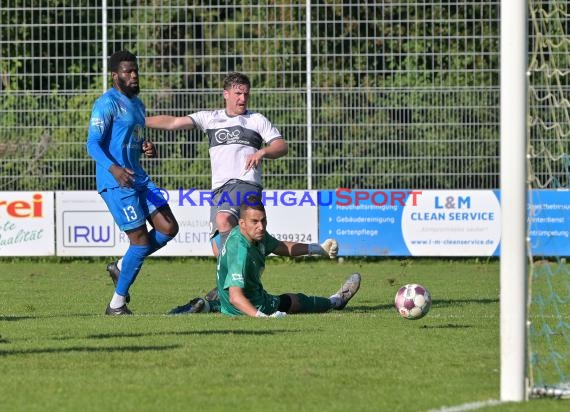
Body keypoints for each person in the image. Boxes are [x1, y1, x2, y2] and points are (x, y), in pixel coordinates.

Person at [144, 72, 289, 309]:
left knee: (223, 220)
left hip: (245, 184)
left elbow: (281, 146)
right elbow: (173, 122)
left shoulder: (256, 120)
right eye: (238, 93)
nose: (243, 99)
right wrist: (137, 119)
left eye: (246, 94)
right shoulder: (210, 118)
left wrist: (264, 151)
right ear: (226, 94)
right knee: (218, 247)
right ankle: (239, 287)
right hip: (219, 191)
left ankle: (234, 285)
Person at [87, 50, 179, 316]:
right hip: (116, 181)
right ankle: (116, 305)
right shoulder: (106, 104)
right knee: (139, 243)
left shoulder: (138, 104)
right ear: (115, 75)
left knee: (169, 228)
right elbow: (92, 143)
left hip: (138, 176)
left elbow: (130, 140)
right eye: (128, 71)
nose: (134, 75)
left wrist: (144, 147)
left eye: (135, 70)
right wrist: (114, 168)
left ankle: (120, 267)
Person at [171, 195, 359, 317]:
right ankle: (336, 300)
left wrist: (317, 249)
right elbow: (237, 297)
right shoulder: (241, 251)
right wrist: (261, 317)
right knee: (294, 301)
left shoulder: (251, 234)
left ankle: (209, 304)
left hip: (235, 298)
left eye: (263, 221)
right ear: (242, 223)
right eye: (255, 222)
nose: (261, 226)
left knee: (233, 294)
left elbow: (282, 247)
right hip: (248, 304)